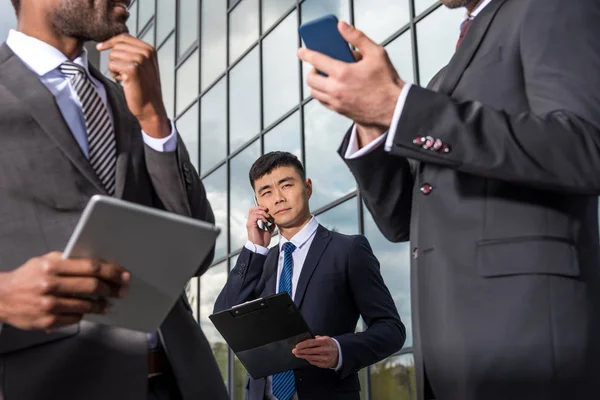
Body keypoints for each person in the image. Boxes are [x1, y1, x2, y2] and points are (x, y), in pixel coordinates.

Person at [298, 0, 600, 399]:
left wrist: (398, 106)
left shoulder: (553, 7)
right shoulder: (440, 82)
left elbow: (584, 147)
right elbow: (400, 219)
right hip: (445, 356)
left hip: (527, 340)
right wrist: (371, 120)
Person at [0, 0, 228, 399]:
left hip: (183, 382)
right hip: (49, 382)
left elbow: (197, 254)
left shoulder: (131, 98)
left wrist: (155, 119)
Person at [214, 151, 405, 400]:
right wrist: (255, 248)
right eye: (266, 192)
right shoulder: (261, 260)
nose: (279, 198)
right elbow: (225, 313)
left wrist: (340, 350)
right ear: (259, 203)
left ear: (308, 187)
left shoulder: (348, 250)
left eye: (286, 185)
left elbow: (391, 329)